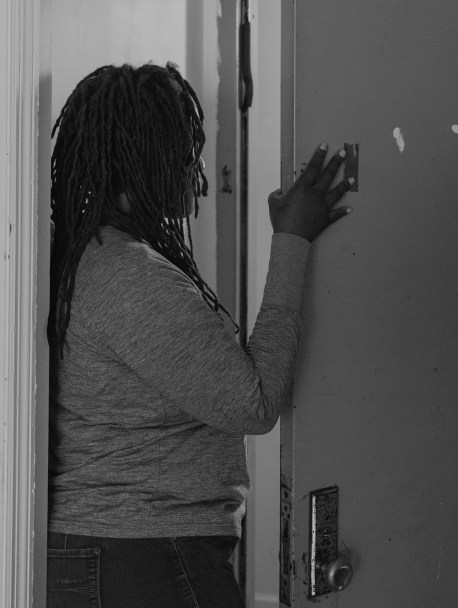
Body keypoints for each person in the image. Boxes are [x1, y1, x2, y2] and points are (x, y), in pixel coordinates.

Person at [46, 62, 353, 608]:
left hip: (117, 553)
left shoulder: (90, 257)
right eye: (185, 151)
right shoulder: (126, 274)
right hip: (142, 560)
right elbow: (253, 403)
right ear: (140, 162)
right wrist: (292, 241)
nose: (199, 168)